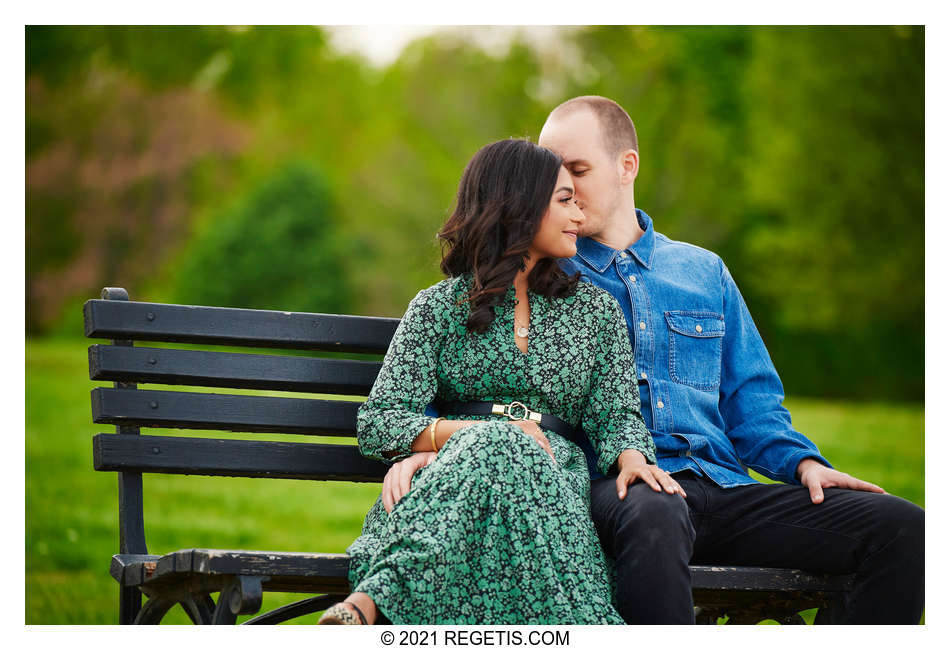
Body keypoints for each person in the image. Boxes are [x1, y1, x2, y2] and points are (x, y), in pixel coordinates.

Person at [385, 96, 925, 624]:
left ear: (627, 166)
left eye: (576, 171)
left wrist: (807, 465)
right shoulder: (550, 277)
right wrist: (439, 453)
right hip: (614, 489)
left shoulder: (702, 271)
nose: (561, 191)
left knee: (903, 527)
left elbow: (752, 404)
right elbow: (488, 386)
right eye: (551, 182)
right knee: (655, 511)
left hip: (724, 486)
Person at [318, 138, 668, 625]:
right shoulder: (438, 307)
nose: (579, 211)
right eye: (564, 199)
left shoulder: (594, 312)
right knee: (498, 446)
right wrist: (469, 436)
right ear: (520, 209)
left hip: (547, 488)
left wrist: (632, 458)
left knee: (505, 450)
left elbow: (616, 414)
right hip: (451, 482)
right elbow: (379, 422)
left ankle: (371, 604)